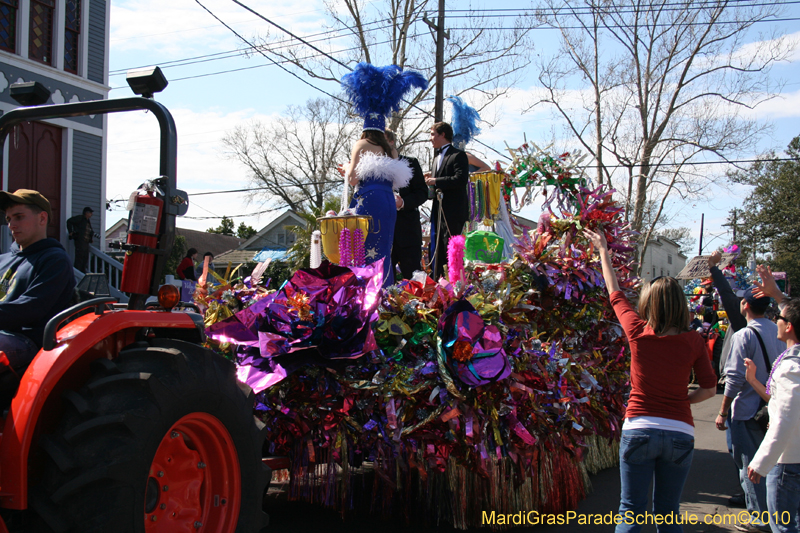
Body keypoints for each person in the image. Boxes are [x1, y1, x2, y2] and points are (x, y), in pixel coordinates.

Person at [583, 228, 716, 533]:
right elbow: (709, 389)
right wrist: (682, 401)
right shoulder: (694, 340)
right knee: (668, 513)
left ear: (649, 303)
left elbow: (614, 292)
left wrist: (603, 250)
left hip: (639, 427)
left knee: (630, 511)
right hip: (680, 431)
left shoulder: (637, 331)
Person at [339, 62, 426, 287]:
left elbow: (353, 178)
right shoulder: (390, 149)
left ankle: (366, 295)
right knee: (383, 251)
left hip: (369, 200)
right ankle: (385, 293)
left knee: (366, 252)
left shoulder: (361, 143)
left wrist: (348, 167)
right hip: (387, 202)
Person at [715, 286, 785, 532]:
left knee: (750, 466)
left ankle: (760, 518)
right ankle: (774, 515)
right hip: (772, 408)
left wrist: (723, 411)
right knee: (771, 464)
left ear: (745, 305)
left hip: (747, 410)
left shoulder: (743, 335)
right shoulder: (779, 331)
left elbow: (734, 378)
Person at [746, 266, 800, 533]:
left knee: (783, 527)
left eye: (777, 316)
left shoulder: (793, 367)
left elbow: (785, 419)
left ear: (788, 327)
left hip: (788, 463)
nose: (774, 319)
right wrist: (778, 295)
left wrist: (762, 461)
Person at [0, 189, 76, 369]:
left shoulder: (54, 260)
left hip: (28, 342)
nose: (12, 225)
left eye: (19, 217)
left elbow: (30, 308)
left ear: (42, 218)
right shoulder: (3, 259)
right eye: (9, 219)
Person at [424, 122, 469, 281]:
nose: (431, 138)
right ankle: (438, 282)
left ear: (443, 134)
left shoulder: (458, 155)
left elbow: (460, 179)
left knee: (450, 247)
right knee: (437, 248)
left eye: (432, 134)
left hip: (453, 212)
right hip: (438, 210)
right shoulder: (436, 158)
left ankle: (455, 282)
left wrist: (436, 180)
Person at [385, 130, 427, 280]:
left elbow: (423, 192)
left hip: (408, 234)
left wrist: (403, 202)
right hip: (383, 235)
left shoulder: (410, 163)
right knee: (382, 282)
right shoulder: (373, 167)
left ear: (391, 142)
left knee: (413, 279)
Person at [66, 206, 94, 273]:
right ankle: (77, 273)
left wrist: (90, 238)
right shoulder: (80, 218)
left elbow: (89, 231)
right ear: (86, 213)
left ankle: (82, 272)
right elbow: (69, 221)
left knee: (85, 258)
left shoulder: (87, 221)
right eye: (90, 212)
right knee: (79, 258)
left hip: (85, 243)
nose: (91, 214)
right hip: (80, 241)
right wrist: (71, 232)